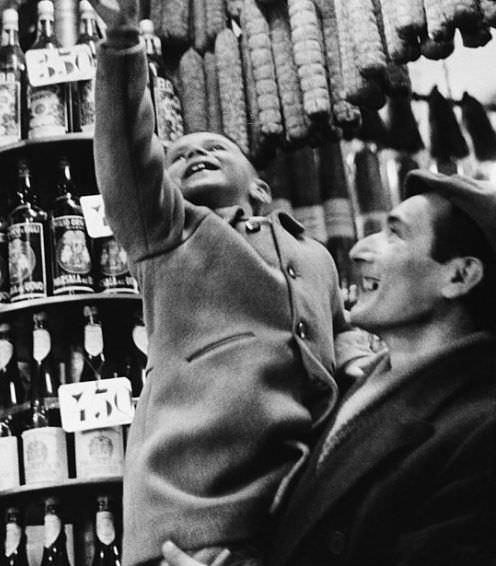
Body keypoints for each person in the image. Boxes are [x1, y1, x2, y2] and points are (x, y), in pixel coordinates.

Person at [78, 0, 370, 566]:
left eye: (216, 148)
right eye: (179, 156)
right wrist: (122, 45)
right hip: (191, 514)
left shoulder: (313, 254)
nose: (198, 153)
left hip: (295, 506)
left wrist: (368, 367)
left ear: (260, 189)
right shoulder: (168, 236)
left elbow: (342, 337)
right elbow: (127, 155)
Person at [160, 168, 496, 566]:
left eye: (395, 234)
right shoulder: (357, 393)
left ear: (459, 275)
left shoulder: (480, 435)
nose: (359, 251)